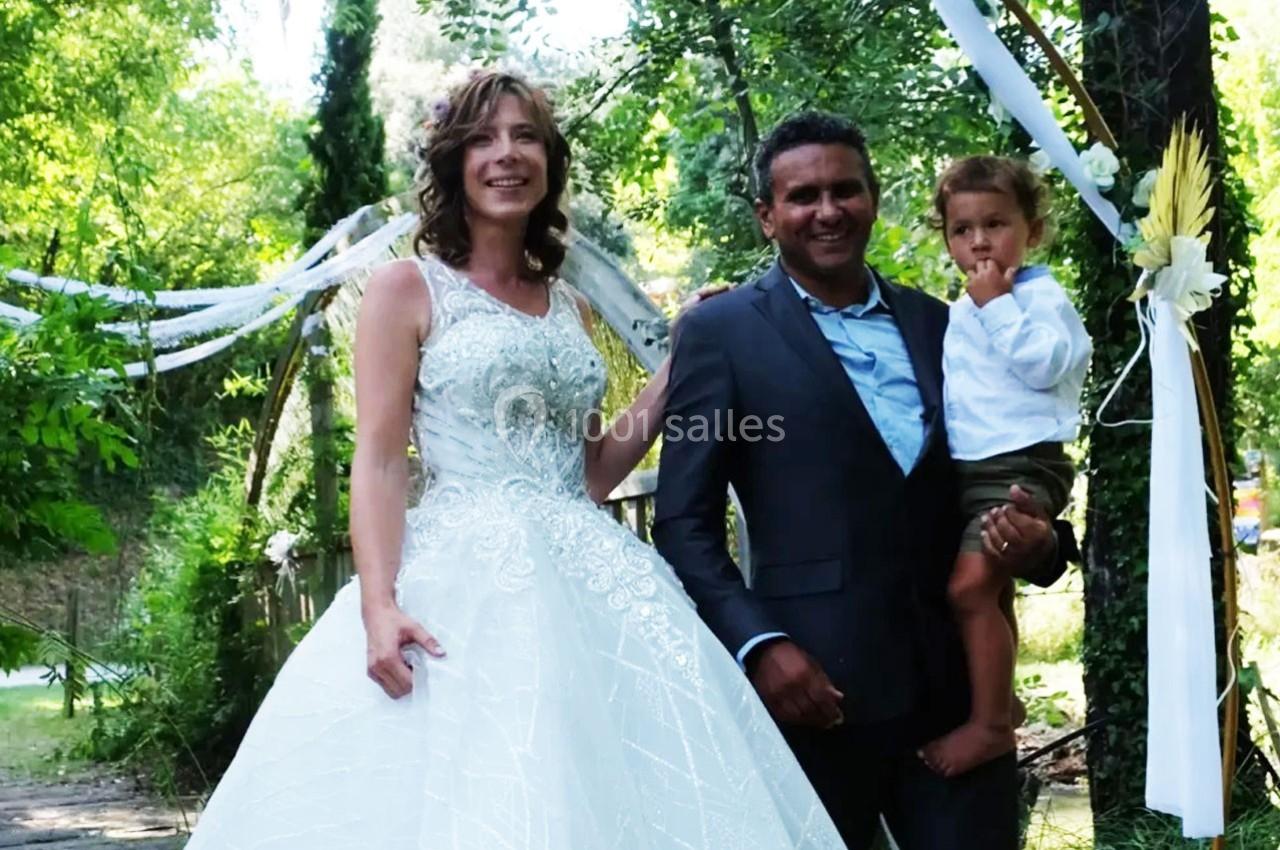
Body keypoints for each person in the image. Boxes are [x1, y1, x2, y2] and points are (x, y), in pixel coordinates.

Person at [182, 73, 846, 849]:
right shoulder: (405, 289)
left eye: (526, 136)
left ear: (549, 162)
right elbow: (381, 461)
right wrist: (378, 605)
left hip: (593, 579)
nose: (508, 155)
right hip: (463, 582)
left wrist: (677, 365)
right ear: (454, 163)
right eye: (484, 139)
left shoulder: (573, 307)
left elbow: (591, 473)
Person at [653, 113, 1072, 850]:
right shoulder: (719, 334)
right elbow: (683, 521)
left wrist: (1042, 548)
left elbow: (1013, 453)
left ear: (873, 199)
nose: (828, 210)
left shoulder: (948, 324)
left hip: (953, 696)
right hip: (814, 693)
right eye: (802, 196)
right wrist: (759, 646)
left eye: (845, 190)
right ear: (766, 215)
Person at [919, 156, 1090, 778]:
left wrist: (996, 305)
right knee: (992, 590)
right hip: (976, 466)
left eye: (995, 224)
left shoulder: (1039, 297)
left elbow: (1045, 365)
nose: (979, 242)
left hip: (1020, 463)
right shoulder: (969, 304)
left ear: (1032, 231)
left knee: (967, 591)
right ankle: (1003, 699)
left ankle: (991, 725)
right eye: (962, 230)